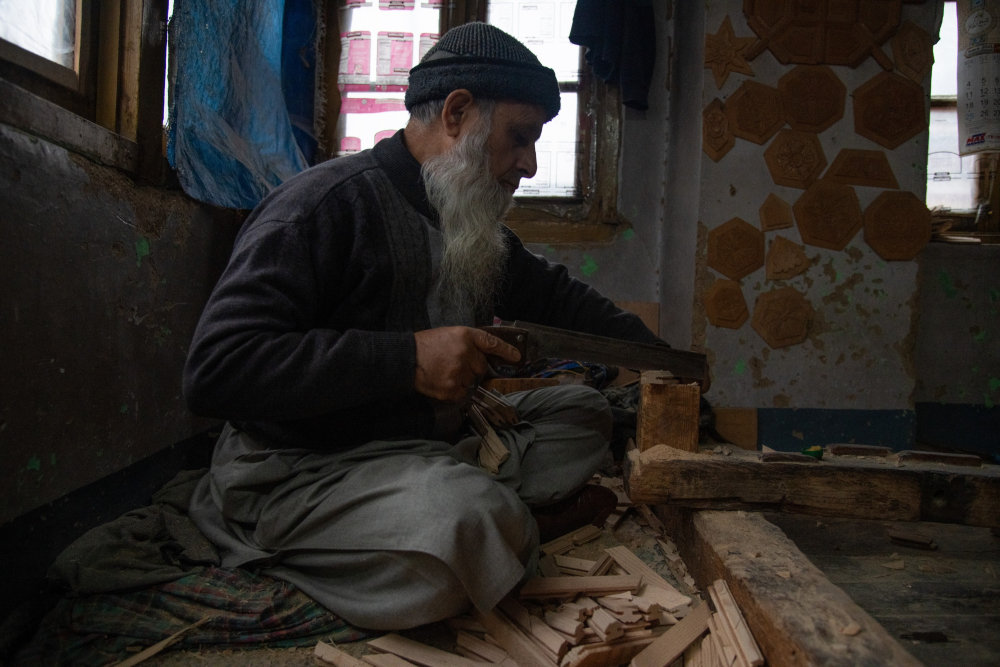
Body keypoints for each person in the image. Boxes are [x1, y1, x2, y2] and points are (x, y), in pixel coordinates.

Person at [183, 22, 664, 631]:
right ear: (458, 113)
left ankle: (484, 531)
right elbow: (216, 371)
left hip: (431, 448)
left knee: (585, 414)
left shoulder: (464, 219)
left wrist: (666, 360)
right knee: (467, 519)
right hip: (305, 466)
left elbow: (562, 300)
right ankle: (494, 531)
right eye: (519, 138)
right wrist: (406, 360)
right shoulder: (322, 207)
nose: (528, 164)